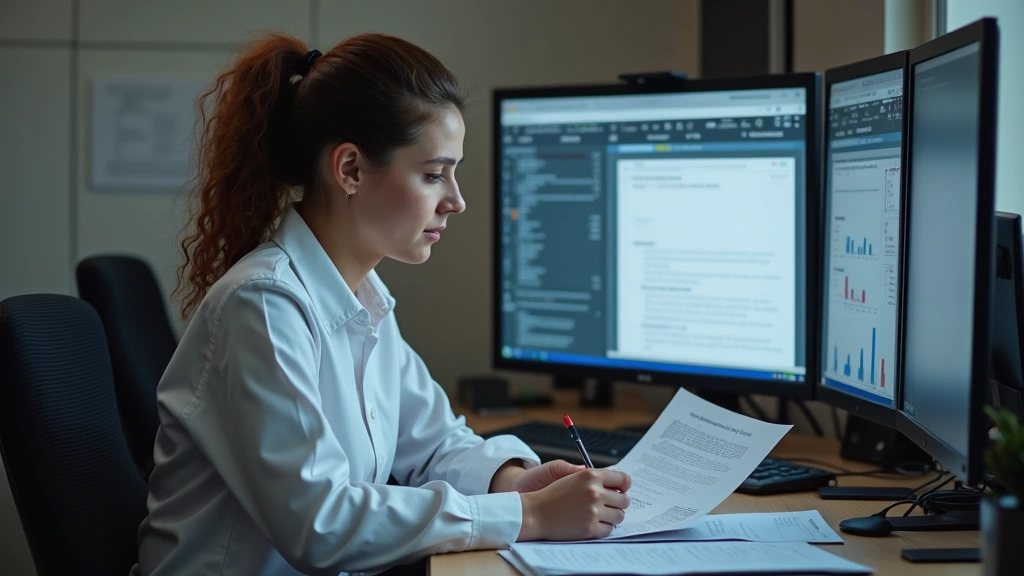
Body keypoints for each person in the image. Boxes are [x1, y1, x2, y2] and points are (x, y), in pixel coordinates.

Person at [131, 32, 632, 576]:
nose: (457, 200)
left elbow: (435, 442)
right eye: (433, 174)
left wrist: (510, 481)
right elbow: (320, 524)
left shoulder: (363, 300)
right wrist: (523, 515)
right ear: (349, 169)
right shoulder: (264, 305)